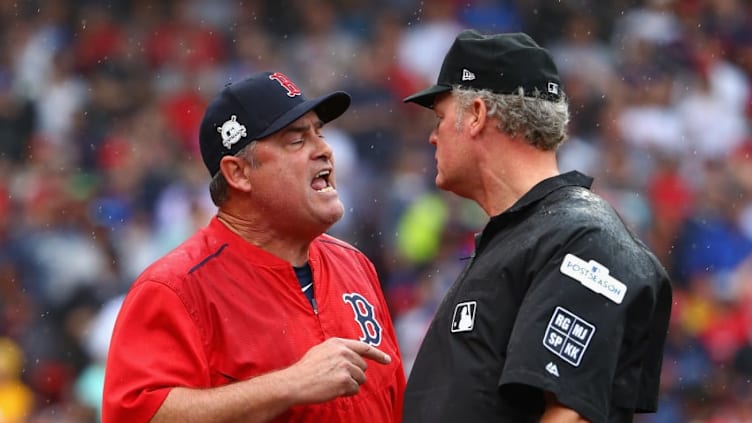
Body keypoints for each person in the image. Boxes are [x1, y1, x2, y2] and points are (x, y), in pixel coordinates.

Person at [400, 30, 672, 422]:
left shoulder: (583, 238)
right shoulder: (523, 235)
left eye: (440, 118)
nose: (431, 136)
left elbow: (569, 412)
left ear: (476, 114)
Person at [102, 71, 405, 422]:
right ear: (239, 173)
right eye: (297, 140)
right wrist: (287, 385)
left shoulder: (355, 266)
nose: (324, 150)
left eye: (318, 133)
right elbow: (137, 416)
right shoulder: (176, 287)